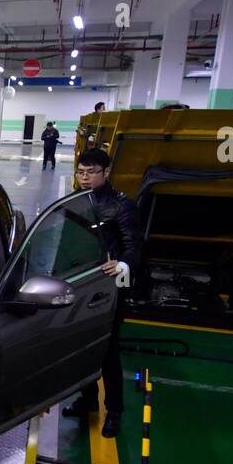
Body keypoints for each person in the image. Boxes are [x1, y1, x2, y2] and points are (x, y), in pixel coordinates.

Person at [61, 147, 141, 437]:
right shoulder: (76, 201)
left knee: (107, 352)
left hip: (110, 291)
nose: (84, 177)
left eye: (91, 172)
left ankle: (115, 412)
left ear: (106, 173)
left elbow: (134, 248)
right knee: (82, 346)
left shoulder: (121, 206)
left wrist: (120, 264)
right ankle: (89, 400)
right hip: (82, 284)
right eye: (81, 172)